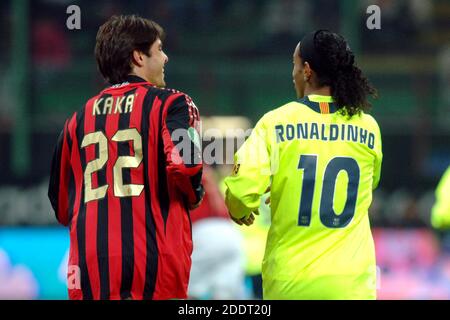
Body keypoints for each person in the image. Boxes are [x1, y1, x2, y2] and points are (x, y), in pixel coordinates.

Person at [48, 15, 204, 300]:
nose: (166, 57)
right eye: (159, 49)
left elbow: (61, 204)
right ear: (138, 57)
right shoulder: (173, 103)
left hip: (89, 264)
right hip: (154, 258)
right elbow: (187, 165)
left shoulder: (76, 120)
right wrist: (195, 194)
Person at [224, 30, 382, 299]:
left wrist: (241, 209)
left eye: (294, 65)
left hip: (292, 282)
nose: (293, 73)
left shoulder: (275, 122)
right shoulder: (368, 126)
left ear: (307, 70)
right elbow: (369, 184)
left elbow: (240, 193)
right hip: (353, 284)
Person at [188, 165, 246, 300]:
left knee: (190, 290)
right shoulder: (205, 172)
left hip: (203, 232)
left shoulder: (179, 169)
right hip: (230, 233)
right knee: (224, 295)